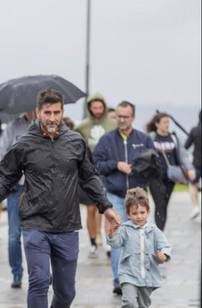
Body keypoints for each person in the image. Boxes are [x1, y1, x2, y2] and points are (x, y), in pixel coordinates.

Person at [0, 88, 120, 308]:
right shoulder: (24, 143)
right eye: (47, 112)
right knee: (38, 280)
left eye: (56, 112)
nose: (52, 117)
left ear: (63, 112)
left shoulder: (75, 142)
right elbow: (5, 175)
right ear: (38, 113)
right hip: (35, 223)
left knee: (66, 290)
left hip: (67, 224)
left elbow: (91, 178)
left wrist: (106, 208)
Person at [93, 101, 156, 295]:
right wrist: (115, 165)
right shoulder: (106, 140)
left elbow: (155, 165)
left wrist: (140, 167)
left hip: (138, 198)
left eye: (125, 117)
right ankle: (119, 280)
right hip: (115, 195)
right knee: (118, 238)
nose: (121, 120)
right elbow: (95, 165)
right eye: (119, 116)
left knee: (138, 241)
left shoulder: (144, 139)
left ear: (133, 118)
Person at [109, 187, 171, 308]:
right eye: (135, 213)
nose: (139, 217)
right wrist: (112, 231)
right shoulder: (125, 229)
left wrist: (164, 254)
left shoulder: (154, 231)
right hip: (129, 274)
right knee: (129, 302)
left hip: (148, 277)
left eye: (142, 212)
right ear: (128, 214)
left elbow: (165, 246)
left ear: (148, 212)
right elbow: (115, 244)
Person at [0, 110, 36, 288]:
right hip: (18, 187)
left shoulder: (46, 124)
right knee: (15, 234)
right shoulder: (14, 127)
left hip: (39, 187)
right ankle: (17, 272)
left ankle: (40, 272)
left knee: (39, 233)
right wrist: (4, 179)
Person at [74, 94, 117, 257]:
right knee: (91, 209)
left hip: (108, 171)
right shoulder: (82, 127)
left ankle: (108, 240)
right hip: (88, 173)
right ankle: (92, 241)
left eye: (100, 107)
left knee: (107, 207)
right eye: (95, 107)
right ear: (89, 108)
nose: (98, 111)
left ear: (104, 107)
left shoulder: (113, 125)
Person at [146, 112, 195, 230]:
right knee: (160, 204)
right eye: (164, 122)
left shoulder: (173, 138)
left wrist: (190, 170)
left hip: (170, 177)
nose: (167, 125)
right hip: (155, 177)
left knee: (164, 205)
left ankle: (159, 233)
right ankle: (159, 235)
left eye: (168, 122)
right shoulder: (151, 138)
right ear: (157, 124)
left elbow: (183, 156)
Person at [184, 111, 201, 221]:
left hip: (197, 163)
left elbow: (186, 146)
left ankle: (195, 207)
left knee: (192, 184)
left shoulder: (195, 130)